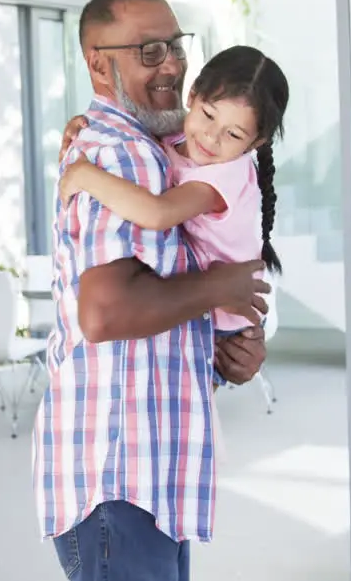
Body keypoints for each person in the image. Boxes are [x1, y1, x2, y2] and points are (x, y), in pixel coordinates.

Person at [32, 0, 270, 581]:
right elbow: (105, 313)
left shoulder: (159, 150)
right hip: (121, 477)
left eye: (174, 45)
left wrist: (225, 348)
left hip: (145, 476)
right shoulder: (123, 156)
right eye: (147, 50)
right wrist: (221, 287)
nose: (169, 63)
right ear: (97, 61)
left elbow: (172, 290)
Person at [57, 44, 289, 388]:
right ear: (192, 95)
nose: (211, 137)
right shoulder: (182, 133)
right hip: (200, 302)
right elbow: (130, 128)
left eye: (234, 134)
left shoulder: (224, 175)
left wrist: (85, 175)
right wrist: (84, 127)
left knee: (185, 408)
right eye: (209, 115)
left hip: (225, 331)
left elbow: (158, 213)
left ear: (255, 143)